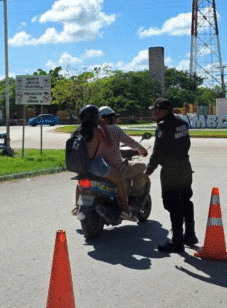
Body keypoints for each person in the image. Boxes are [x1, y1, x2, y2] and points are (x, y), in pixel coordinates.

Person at [145, 98, 197, 253]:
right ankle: (190, 235)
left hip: (171, 170)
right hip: (185, 166)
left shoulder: (162, 126)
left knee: (173, 205)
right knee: (186, 200)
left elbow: (158, 152)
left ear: (162, 111)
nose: (153, 113)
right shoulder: (182, 123)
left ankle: (177, 243)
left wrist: (148, 170)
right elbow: (186, 144)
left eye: (155, 110)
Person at [76, 104, 137, 221]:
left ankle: (77, 206)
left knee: (81, 185)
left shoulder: (78, 131)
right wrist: (103, 127)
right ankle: (126, 211)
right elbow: (108, 143)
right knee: (119, 180)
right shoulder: (96, 131)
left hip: (82, 167)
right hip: (96, 166)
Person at [98, 106, 149, 197]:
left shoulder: (94, 130)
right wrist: (143, 150)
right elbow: (130, 142)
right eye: (112, 117)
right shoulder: (114, 129)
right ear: (105, 118)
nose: (115, 120)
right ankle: (134, 194)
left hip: (98, 168)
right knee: (142, 166)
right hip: (116, 168)